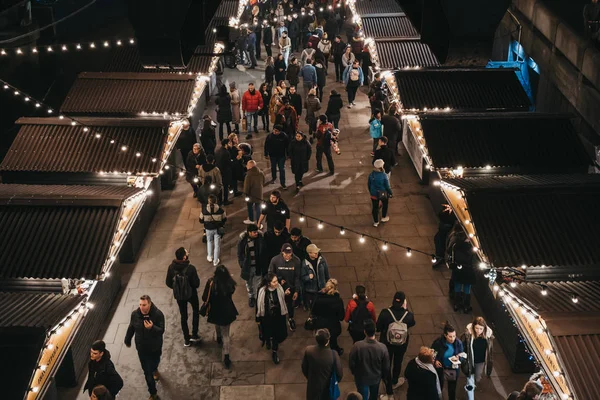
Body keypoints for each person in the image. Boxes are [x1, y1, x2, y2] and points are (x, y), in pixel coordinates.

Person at [124, 295, 165, 400]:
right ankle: (153, 393)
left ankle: (155, 368)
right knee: (147, 372)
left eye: (144, 305)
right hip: (141, 348)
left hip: (154, 347)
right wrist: (127, 339)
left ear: (149, 304)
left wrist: (152, 328)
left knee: (155, 362)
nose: (142, 307)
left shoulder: (158, 315)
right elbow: (131, 327)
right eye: (140, 305)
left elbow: (161, 331)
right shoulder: (135, 315)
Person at [376, 291, 416, 394]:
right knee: (398, 362)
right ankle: (395, 380)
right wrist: (405, 309)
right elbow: (412, 323)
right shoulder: (409, 315)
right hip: (401, 345)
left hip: (387, 343)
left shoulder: (385, 313)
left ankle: (387, 380)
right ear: (403, 302)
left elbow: (378, 327)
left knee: (387, 362)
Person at [202, 265, 238, 369]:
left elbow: (205, 297)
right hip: (227, 311)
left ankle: (218, 337)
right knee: (226, 334)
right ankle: (226, 355)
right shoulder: (229, 283)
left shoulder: (211, 282)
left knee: (217, 323)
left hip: (215, 309)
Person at [165, 247, 201, 346]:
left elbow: (168, 282)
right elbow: (196, 284)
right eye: (186, 252)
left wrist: (177, 287)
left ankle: (186, 339)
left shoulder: (171, 268)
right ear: (184, 257)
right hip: (191, 294)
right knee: (195, 311)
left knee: (183, 316)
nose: (188, 252)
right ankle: (194, 334)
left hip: (179, 296)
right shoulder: (190, 268)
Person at [349, 319, 390, 400]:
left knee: (362, 396)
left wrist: (354, 372)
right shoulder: (382, 347)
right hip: (375, 377)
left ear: (365, 331)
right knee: (374, 395)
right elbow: (386, 366)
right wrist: (383, 375)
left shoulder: (357, 346)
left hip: (361, 377)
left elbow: (352, 362)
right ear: (375, 331)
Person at [256, 272, 289, 364]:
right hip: (266, 318)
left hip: (277, 317)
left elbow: (282, 301)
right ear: (268, 283)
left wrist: (285, 294)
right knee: (267, 332)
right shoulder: (262, 291)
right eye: (274, 282)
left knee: (275, 335)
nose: (276, 283)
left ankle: (274, 351)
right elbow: (258, 305)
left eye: (277, 281)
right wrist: (257, 318)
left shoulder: (279, 288)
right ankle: (267, 340)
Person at [301, 328, 343, 400]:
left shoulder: (309, 351)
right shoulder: (333, 354)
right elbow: (339, 374)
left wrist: (310, 378)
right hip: (328, 388)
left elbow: (304, 368)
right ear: (328, 340)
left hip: (313, 387)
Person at [269, 243, 302, 331]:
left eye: (289, 253)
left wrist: (296, 291)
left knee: (290, 305)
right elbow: (270, 274)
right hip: (278, 288)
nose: (288, 255)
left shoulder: (297, 261)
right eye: (286, 253)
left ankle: (290, 318)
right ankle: (279, 321)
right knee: (277, 305)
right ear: (282, 252)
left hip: (290, 288)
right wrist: (279, 280)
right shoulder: (275, 260)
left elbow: (297, 277)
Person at [431, 322, 466, 400]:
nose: (452, 338)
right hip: (440, 368)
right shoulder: (438, 343)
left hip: (452, 369)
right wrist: (435, 361)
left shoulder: (458, 343)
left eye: (454, 336)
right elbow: (432, 353)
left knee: (452, 388)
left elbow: (462, 355)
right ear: (445, 335)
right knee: (439, 386)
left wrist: (459, 358)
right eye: (450, 336)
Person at [462, 317, 494, 400]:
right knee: (470, 378)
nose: (478, 330)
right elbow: (464, 345)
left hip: (480, 361)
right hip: (470, 360)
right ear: (473, 327)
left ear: (484, 328)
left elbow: (489, 350)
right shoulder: (469, 335)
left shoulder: (488, 336)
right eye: (476, 328)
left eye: (481, 328)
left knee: (478, 378)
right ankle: (470, 393)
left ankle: (471, 385)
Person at [311, 278, 345, 354]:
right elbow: (341, 316)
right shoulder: (338, 300)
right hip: (333, 326)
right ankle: (335, 351)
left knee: (322, 340)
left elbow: (313, 311)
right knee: (333, 340)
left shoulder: (318, 298)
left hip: (320, 324)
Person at [238, 223, 267, 307]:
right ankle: (251, 297)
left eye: (256, 232)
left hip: (258, 266)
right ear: (249, 232)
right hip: (248, 267)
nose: (256, 233)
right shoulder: (243, 240)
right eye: (254, 232)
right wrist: (242, 264)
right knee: (249, 283)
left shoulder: (260, 238)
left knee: (258, 283)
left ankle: (258, 297)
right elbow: (240, 253)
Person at [450, 237, 476, 313]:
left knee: (457, 286)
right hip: (468, 271)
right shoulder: (473, 248)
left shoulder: (456, 245)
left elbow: (451, 255)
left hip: (458, 270)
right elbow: (474, 262)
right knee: (467, 288)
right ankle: (466, 306)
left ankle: (456, 304)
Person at [199, 194, 227, 266]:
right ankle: (215, 260)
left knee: (209, 241)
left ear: (208, 201)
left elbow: (201, 220)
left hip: (208, 229)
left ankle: (209, 256)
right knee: (217, 245)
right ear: (216, 201)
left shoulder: (204, 210)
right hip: (217, 229)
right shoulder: (220, 210)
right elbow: (224, 219)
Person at [301, 243, 331, 310]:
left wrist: (328, 285)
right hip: (311, 291)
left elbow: (327, 273)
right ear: (309, 253)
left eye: (317, 252)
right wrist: (309, 277)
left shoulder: (322, 260)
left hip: (322, 289)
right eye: (315, 253)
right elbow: (302, 278)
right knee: (314, 308)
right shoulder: (304, 264)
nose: (317, 254)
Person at [368, 159, 392, 227]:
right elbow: (387, 186)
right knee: (385, 204)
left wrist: (371, 192)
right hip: (382, 192)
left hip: (373, 194)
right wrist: (390, 193)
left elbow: (369, 185)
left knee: (375, 207)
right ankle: (383, 217)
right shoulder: (384, 175)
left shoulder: (371, 175)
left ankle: (376, 222)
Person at [243, 159, 264, 224]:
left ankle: (251, 219)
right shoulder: (260, 172)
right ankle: (258, 222)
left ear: (250, 166)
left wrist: (245, 194)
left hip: (251, 195)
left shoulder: (248, 175)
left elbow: (246, 187)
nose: (246, 166)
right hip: (259, 194)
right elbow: (263, 181)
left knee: (250, 207)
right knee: (258, 209)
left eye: (247, 165)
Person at [215, 139, 234, 205]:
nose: (230, 144)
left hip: (219, 171)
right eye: (229, 143)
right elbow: (228, 163)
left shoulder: (218, 150)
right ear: (226, 144)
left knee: (220, 186)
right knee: (226, 186)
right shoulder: (226, 152)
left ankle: (219, 200)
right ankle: (225, 200)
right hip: (225, 172)